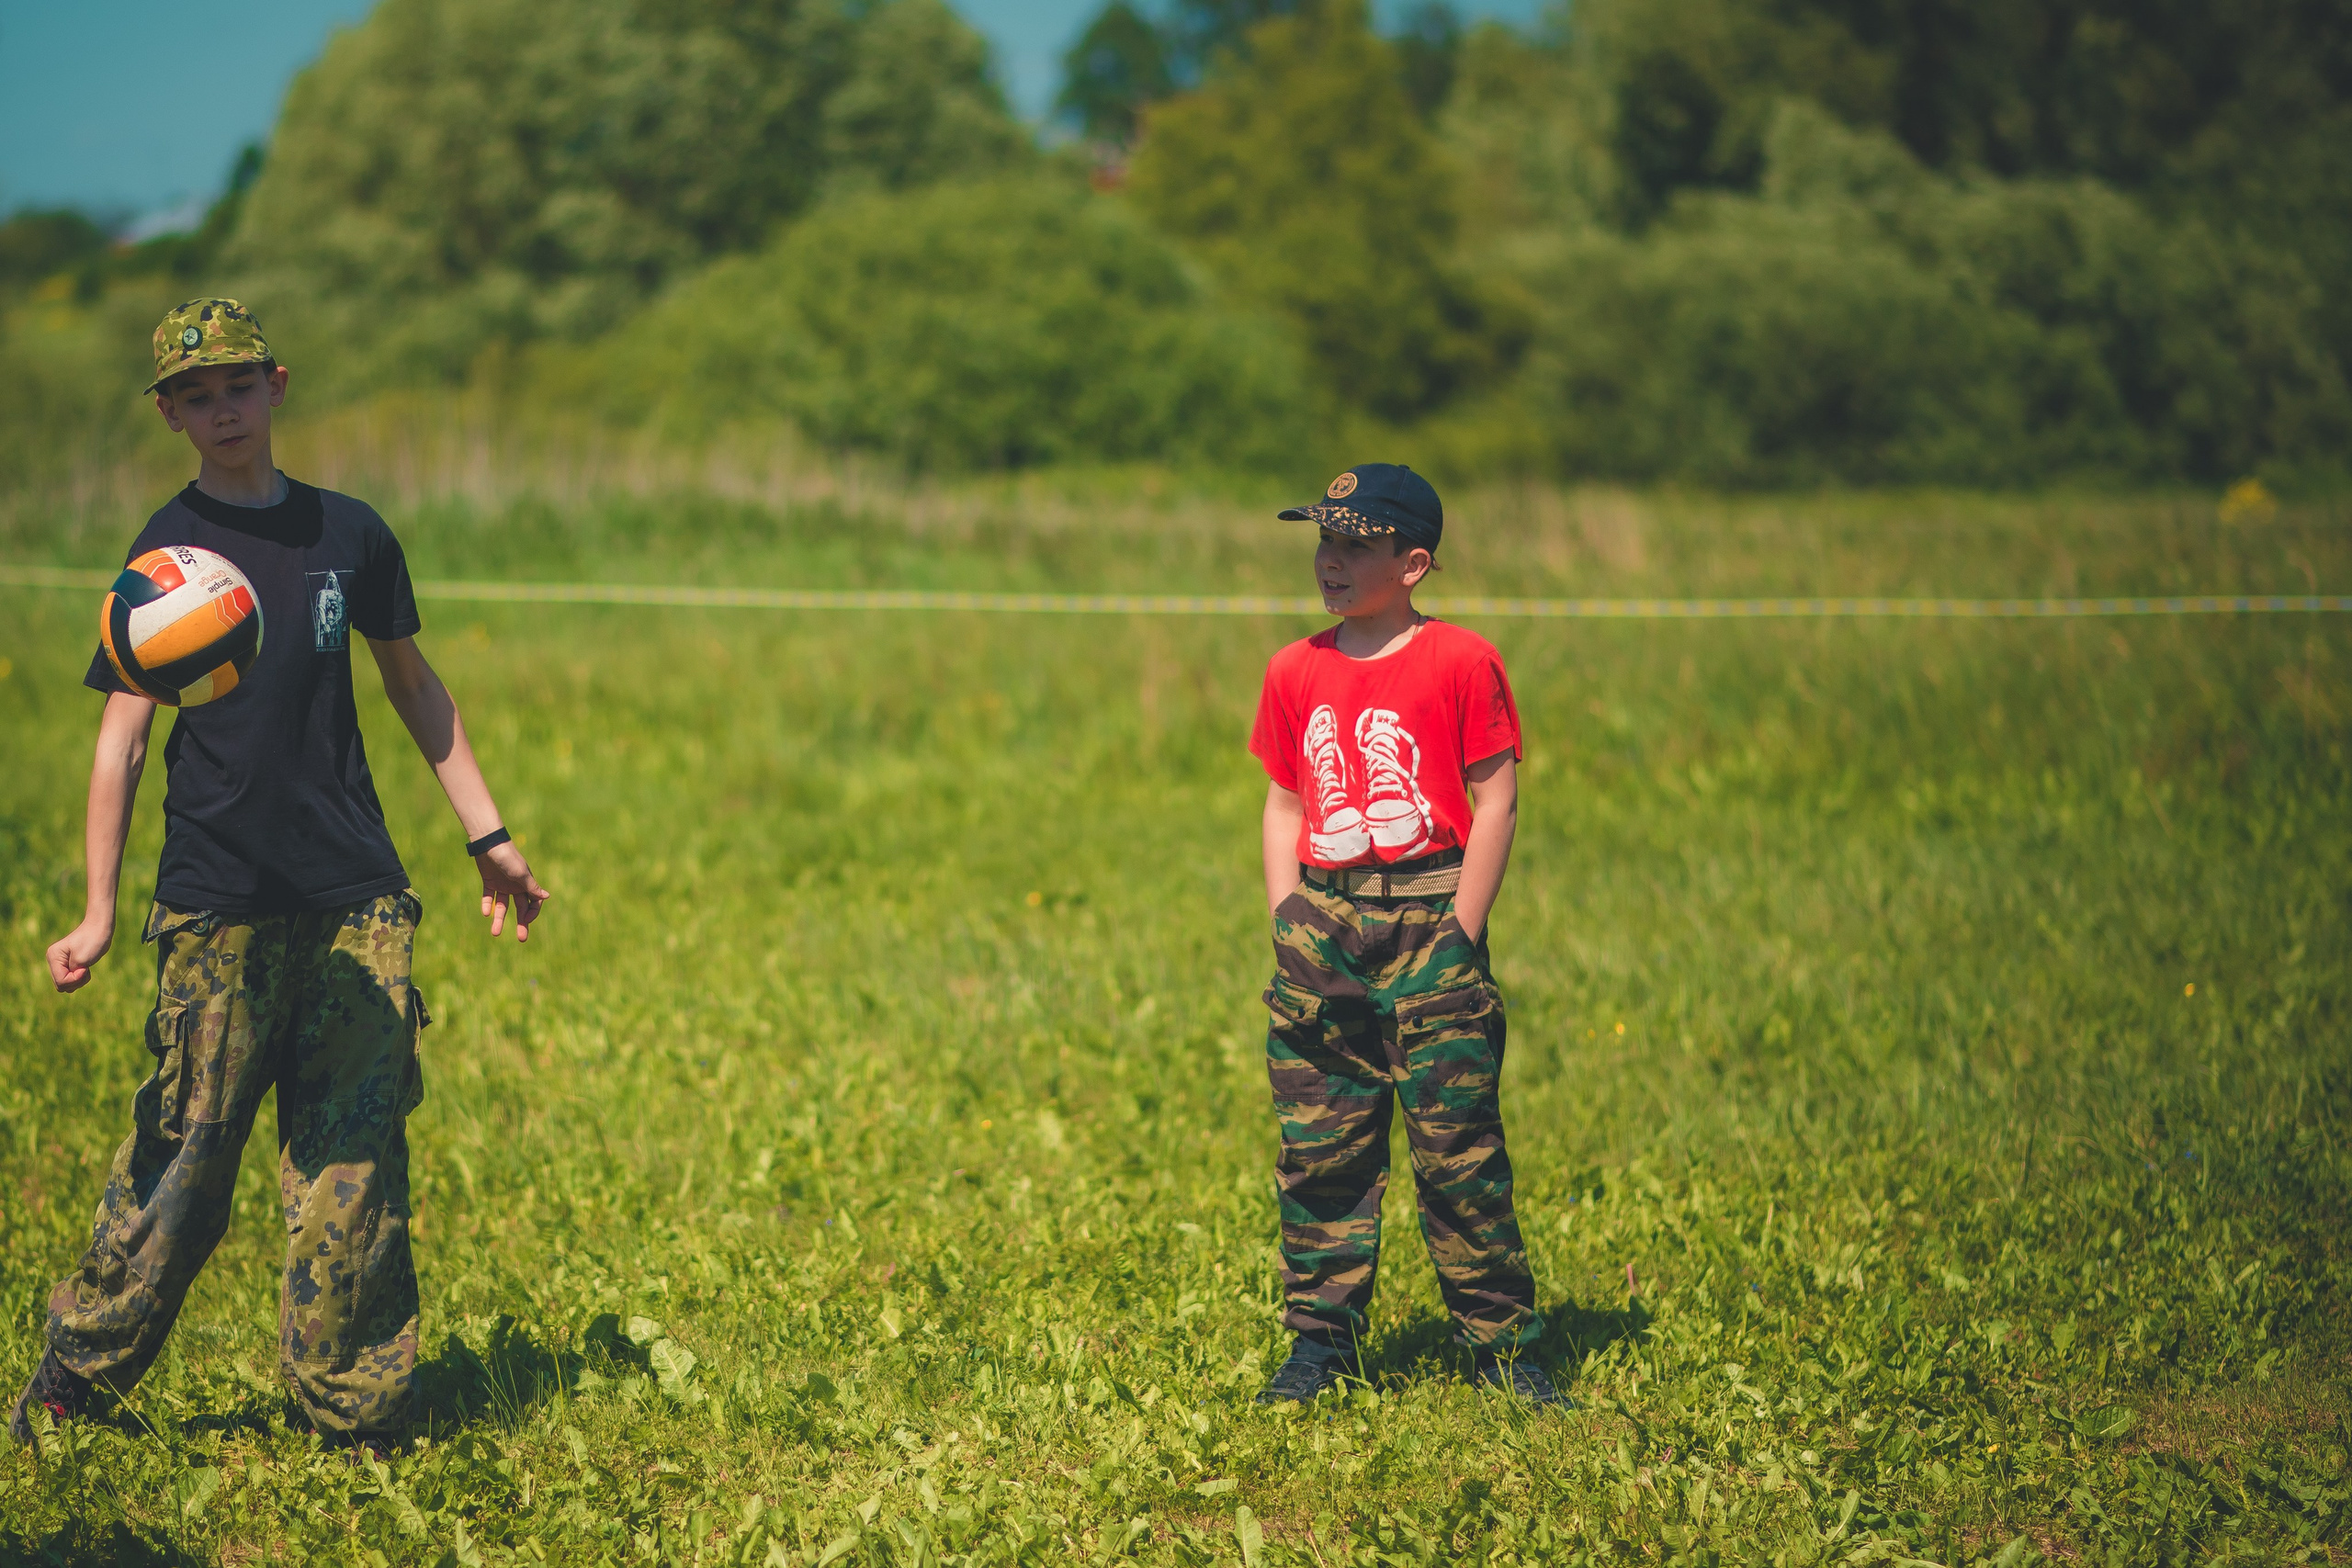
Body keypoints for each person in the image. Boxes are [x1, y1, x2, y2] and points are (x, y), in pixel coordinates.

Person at [10, 299, 551, 1453]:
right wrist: (101, 910)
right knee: (182, 1166)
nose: (222, 409)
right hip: (216, 903)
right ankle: (74, 1383)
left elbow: (414, 686)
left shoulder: (350, 534)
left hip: (358, 898)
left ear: (278, 386)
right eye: (196, 394)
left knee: (351, 1170)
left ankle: (356, 1419)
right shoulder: (164, 558)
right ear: (167, 413)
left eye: (238, 385)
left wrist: (486, 834)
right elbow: (121, 740)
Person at [1246, 464, 1559, 1405]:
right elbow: (1283, 801)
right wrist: (1287, 914)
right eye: (1323, 541)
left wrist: (1460, 931)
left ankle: (1503, 1350)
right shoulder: (1294, 667)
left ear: (1412, 563)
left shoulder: (1461, 659)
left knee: (1457, 1152)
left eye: (1355, 545)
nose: (1329, 561)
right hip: (1325, 923)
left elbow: (1495, 796)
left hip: (1430, 916)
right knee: (1323, 1152)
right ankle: (1320, 1348)